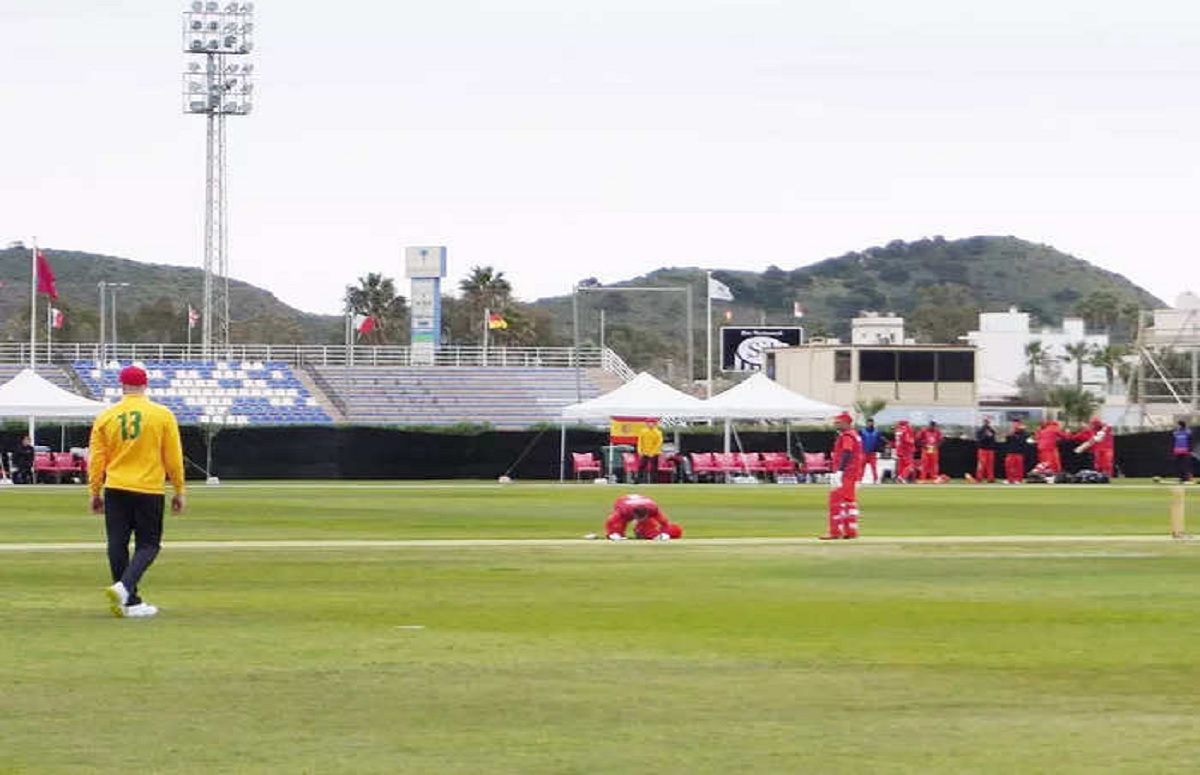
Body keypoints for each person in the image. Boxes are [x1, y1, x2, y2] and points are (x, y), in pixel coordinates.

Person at [88, 365, 186, 619]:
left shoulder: (107, 416)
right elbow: (173, 456)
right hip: (148, 488)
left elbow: (97, 458)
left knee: (117, 543)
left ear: (122, 386)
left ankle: (128, 601)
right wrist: (179, 489)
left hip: (116, 486)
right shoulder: (161, 415)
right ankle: (124, 589)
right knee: (149, 544)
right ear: (145, 386)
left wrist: (94, 490)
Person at [821, 411, 863, 539]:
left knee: (836, 500)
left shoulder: (847, 436)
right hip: (853, 472)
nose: (836, 424)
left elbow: (847, 452)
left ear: (846, 423)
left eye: (838, 422)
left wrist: (839, 471)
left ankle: (835, 532)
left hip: (846, 473)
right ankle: (850, 531)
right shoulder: (855, 435)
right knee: (849, 502)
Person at [603, 493, 682, 540]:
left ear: (648, 513)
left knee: (647, 526)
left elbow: (664, 522)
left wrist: (665, 533)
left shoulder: (653, 508)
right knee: (621, 522)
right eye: (639, 519)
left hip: (642, 501)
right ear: (634, 515)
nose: (639, 520)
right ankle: (618, 533)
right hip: (623, 501)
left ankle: (645, 532)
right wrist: (612, 533)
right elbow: (610, 522)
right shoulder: (624, 510)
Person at [635, 419, 664, 485]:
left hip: (654, 453)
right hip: (645, 452)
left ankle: (654, 481)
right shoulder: (643, 431)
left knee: (653, 468)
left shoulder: (658, 432)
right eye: (649, 423)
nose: (650, 424)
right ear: (647, 424)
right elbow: (640, 441)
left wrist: (653, 452)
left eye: (652, 423)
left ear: (655, 424)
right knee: (641, 466)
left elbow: (658, 443)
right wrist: (639, 450)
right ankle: (638, 480)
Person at [859, 417, 884, 484]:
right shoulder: (862, 431)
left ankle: (875, 480)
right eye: (868, 422)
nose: (869, 423)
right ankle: (859, 479)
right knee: (861, 467)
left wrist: (880, 448)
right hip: (864, 452)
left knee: (874, 467)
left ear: (873, 423)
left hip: (872, 453)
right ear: (866, 423)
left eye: (871, 422)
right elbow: (858, 440)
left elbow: (880, 441)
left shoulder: (877, 431)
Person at [973, 418, 998, 483]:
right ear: (984, 422)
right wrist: (985, 436)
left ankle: (990, 478)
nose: (987, 423)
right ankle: (979, 478)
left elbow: (993, 439)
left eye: (988, 421)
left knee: (990, 465)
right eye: (986, 421)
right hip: (982, 449)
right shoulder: (980, 430)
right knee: (981, 464)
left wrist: (990, 436)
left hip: (990, 449)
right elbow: (978, 440)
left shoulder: (991, 430)